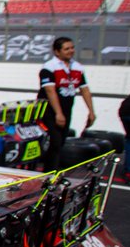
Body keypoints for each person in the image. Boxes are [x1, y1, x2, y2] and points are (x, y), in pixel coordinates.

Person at [37, 36, 96, 171]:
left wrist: (91, 112)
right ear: (57, 52)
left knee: (61, 141)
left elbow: (85, 90)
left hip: (67, 109)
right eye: (66, 49)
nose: (71, 51)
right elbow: (50, 91)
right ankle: (49, 172)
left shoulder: (77, 67)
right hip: (49, 111)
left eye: (72, 48)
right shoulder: (49, 67)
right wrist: (58, 113)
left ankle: (54, 171)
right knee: (55, 141)